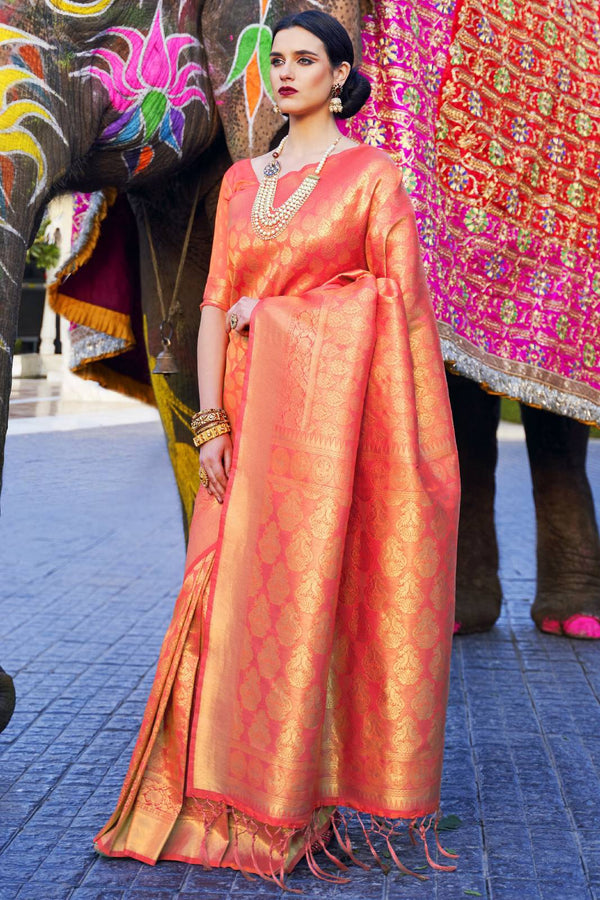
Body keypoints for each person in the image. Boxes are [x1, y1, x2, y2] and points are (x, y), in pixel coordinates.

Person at [94, 10, 460, 886]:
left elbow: (397, 307)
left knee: (312, 604)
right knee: (219, 603)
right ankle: (203, 804)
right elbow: (217, 300)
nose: (285, 72)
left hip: (326, 439)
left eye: (305, 61)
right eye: (277, 59)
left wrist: (288, 316)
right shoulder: (239, 185)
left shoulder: (374, 177)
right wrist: (209, 422)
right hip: (242, 429)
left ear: (340, 78)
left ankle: (292, 809)